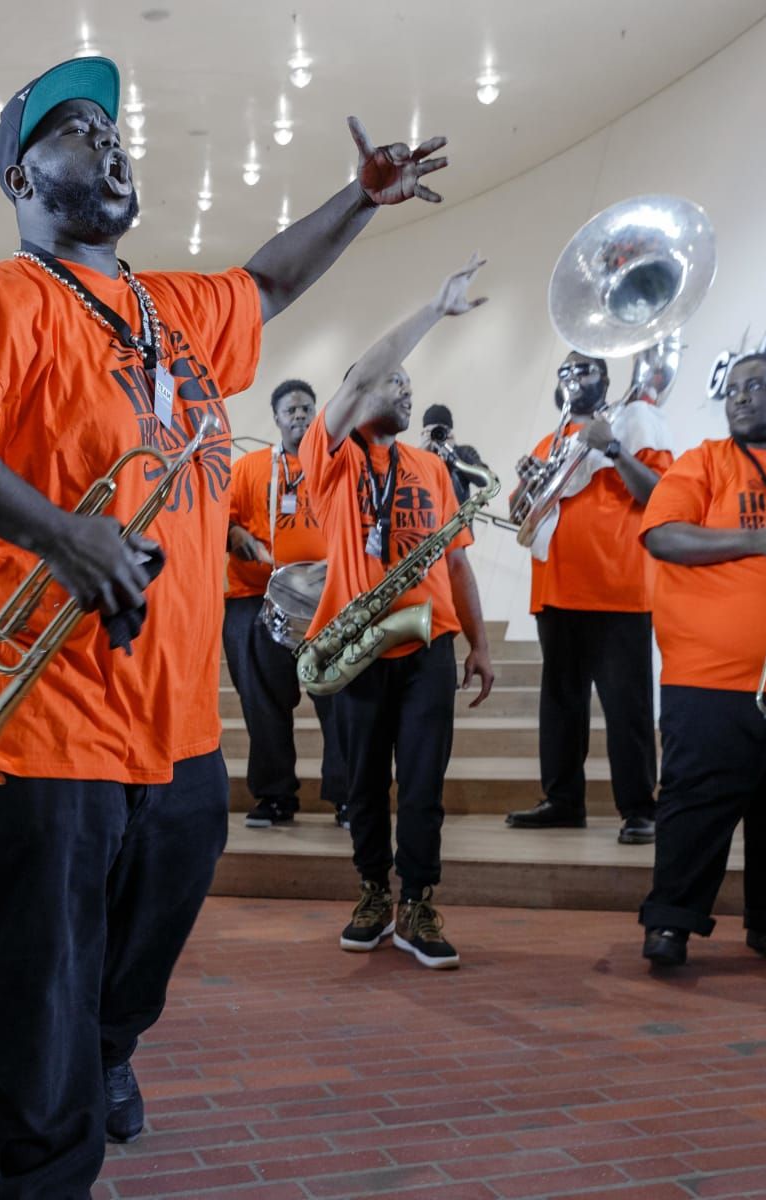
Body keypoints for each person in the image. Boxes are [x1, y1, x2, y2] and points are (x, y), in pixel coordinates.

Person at [0, 54, 452, 1199]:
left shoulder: (175, 310)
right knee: (35, 967)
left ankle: (107, 1053)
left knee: (152, 925)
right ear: (21, 173)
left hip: (173, 717)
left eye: (117, 134)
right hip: (37, 717)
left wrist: (358, 200)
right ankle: (32, 1165)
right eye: (77, 131)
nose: (110, 145)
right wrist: (59, 536)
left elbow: (266, 283)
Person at [300, 255, 494, 970]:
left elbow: (459, 560)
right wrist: (433, 312)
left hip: (429, 645)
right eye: (394, 381)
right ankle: (371, 892)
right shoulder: (332, 457)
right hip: (355, 645)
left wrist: (478, 643)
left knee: (421, 782)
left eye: (412, 386)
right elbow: (356, 380)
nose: (406, 393)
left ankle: (417, 899)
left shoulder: (434, 469)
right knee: (361, 786)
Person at [638, 351, 766, 968]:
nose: (738, 398)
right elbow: (663, 535)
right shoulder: (703, 461)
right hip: (708, 681)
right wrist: (759, 540)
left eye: (754, 386)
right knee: (694, 808)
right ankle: (671, 923)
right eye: (731, 389)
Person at [506, 352, 673, 844]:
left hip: (617, 590)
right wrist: (526, 484)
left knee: (628, 708)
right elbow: (521, 513)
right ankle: (562, 800)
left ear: (605, 378)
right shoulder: (551, 440)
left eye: (585, 371)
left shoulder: (634, 426)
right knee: (560, 705)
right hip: (555, 590)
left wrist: (615, 450)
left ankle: (640, 809)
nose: (574, 379)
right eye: (566, 372)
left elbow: (661, 495)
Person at [223, 379, 347, 828]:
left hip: (325, 603)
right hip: (253, 601)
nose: (299, 416)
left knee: (338, 699)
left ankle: (347, 797)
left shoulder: (336, 466)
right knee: (262, 705)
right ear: (275, 417)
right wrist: (236, 536)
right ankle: (275, 797)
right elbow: (221, 519)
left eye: (306, 409)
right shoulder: (249, 468)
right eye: (290, 409)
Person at [419, 403, 486, 504]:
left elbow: (483, 480)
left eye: (441, 431)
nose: (437, 436)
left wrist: (452, 453)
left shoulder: (464, 452)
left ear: (449, 432)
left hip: (455, 515)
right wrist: (422, 454)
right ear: (424, 434)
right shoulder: (414, 458)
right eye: (431, 432)